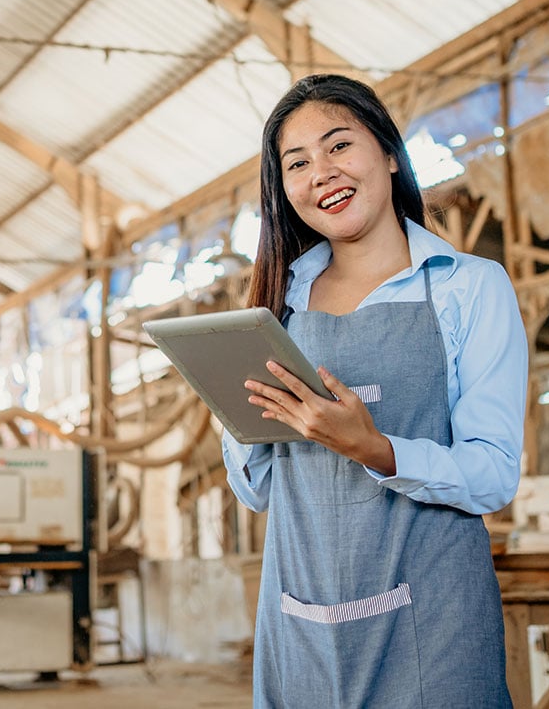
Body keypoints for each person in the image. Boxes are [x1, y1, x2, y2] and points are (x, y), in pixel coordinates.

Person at [222, 73, 528, 708]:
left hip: (435, 625)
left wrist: (376, 448)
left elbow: (493, 475)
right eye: (297, 163)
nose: (322, 173)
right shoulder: (279, 308)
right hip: (299, 620)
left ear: (389, 153)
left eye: (339, 146)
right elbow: (257, 492)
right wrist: (235, 407)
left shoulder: (466, 287)